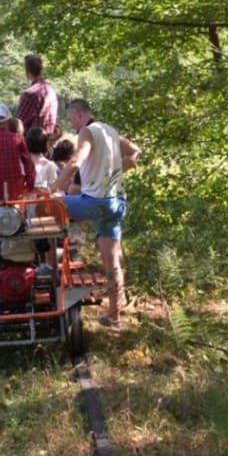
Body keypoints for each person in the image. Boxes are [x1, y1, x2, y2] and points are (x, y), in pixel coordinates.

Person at [50, 98, 140, 327]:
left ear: (79, 115)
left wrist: (53, 189)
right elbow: (135, 151)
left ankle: (54, 263)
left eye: (71, 119)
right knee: (111, 262)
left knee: (49, 206)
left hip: (95, 201)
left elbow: (75, 162)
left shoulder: (87, 131)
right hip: (116, 202)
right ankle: (114, 315)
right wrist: (124, 168)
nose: (71, 125)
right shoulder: (110, 131)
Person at [0, 103, 37, 200]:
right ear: (8, 121)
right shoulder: (18, 139)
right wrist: (30, 185)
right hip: (16, 191)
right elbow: (28, 164)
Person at [17, 53, 58, 138]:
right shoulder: (51, 90)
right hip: (49, 140)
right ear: (42, 69)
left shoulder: (30, 93)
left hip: (34, 143)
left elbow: (20, 124)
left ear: (27, 72)